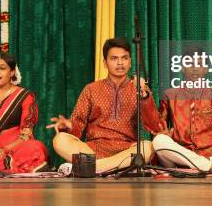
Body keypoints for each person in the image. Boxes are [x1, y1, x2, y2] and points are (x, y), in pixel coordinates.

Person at [47, 38, 158, 173]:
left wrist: (143, 95)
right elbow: (77, 128)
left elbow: (153, 126)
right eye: (114, 58)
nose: (120, 63)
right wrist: (69, 126)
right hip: (93, 149)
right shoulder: (91, 89)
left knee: (148, 147)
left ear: (130, 63)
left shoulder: (139, 89)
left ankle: (94, 168)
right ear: (105, 63)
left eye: (124, 58)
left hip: (126, 150)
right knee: (60, 140)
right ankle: (108, 167)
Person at [140, 50, 212, 171]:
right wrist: (145, 98)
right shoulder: (171, 95)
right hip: (181, 153)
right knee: (159, 141)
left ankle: (197, 167)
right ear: (182, 68)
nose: (195, 68)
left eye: (199, 64)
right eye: (190, 63)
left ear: (207, 68)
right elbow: (157, 126)